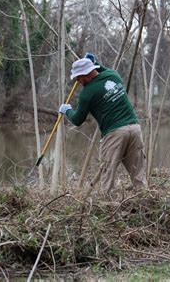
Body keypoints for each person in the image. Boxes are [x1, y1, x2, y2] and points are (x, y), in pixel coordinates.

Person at [59, 54, 148, 197]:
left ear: (86, 75)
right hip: (135, 128)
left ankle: (107, 205)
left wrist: (67, 110)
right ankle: (145, 200)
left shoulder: (87, 94)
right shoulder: (113, 75)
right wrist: (94, 62)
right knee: (138, 172)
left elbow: (77, 120)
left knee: (108, 172)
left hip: (115, 134)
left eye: (78, 77)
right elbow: (101, 69)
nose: (78, 81)